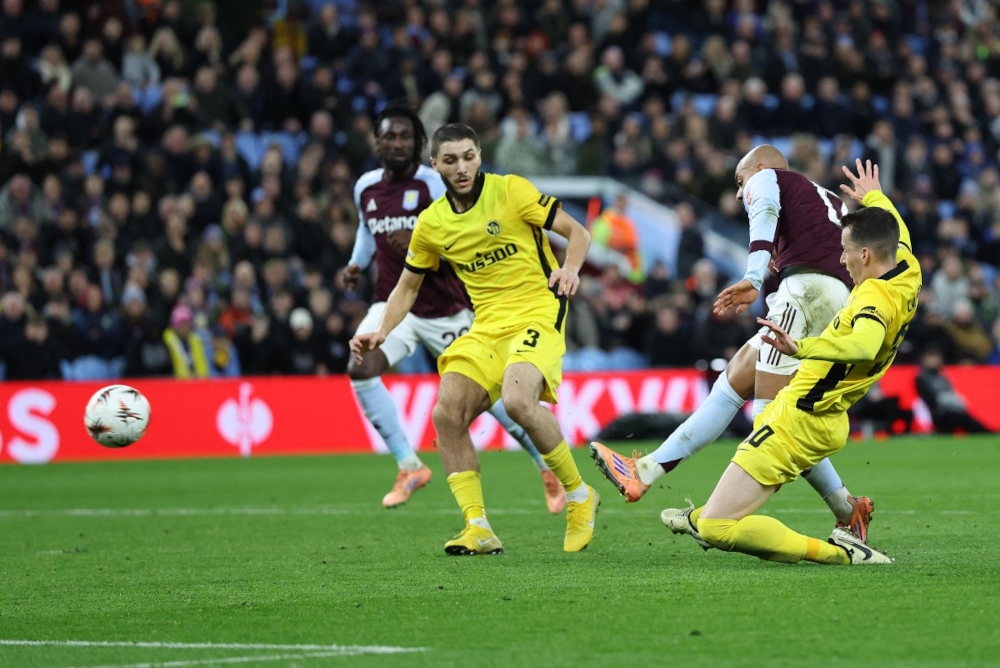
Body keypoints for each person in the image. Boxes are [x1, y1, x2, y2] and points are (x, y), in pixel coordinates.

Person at [591, 144, 873, 541]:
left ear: (759, 168)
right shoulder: (821, 200)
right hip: (830, 300)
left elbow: (764, 212)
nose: (741, 193)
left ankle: (723, 513)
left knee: (770, 421)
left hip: (804, 295)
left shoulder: (768, 179)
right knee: (738, 376)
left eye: (741, 181)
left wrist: (754, 276)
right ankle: (648, 470)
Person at [350, 123, 599, 555]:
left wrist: (571, 268)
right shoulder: (433, 223)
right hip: (485, 324)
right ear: (435, 165)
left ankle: (579, 495)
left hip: (537, 308)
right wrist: (381, 332)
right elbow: (407, 287)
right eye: (450, 160)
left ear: (479, 156)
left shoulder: (511, 191)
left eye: (468, 156)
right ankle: (478, 527)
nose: (461, 167)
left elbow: (579, 232)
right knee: (446, 415)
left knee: (520, 401)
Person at [658, 159, 920, 565]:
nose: (842, 259)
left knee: (716, 529)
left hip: (799, 417)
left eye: (847, 252)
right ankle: (710, 513)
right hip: (825, 414)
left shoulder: (871, 299)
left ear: (866, 254)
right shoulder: (907, 267)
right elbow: (893, 224)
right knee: (718, 513)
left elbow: (866, 345)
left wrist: (804, 349)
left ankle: (842, 555)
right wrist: (873, 194)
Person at [915, 347, 990, 434]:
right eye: (931, 357)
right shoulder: (922, 377)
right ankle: (985, 432)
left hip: (950, 410)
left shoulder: (943, 375)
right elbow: (929, 399)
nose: (934, 360)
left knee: (963, 418)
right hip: (939, 413)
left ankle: (985, 431)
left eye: (936, 357)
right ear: (924, 359)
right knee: (961, 418)